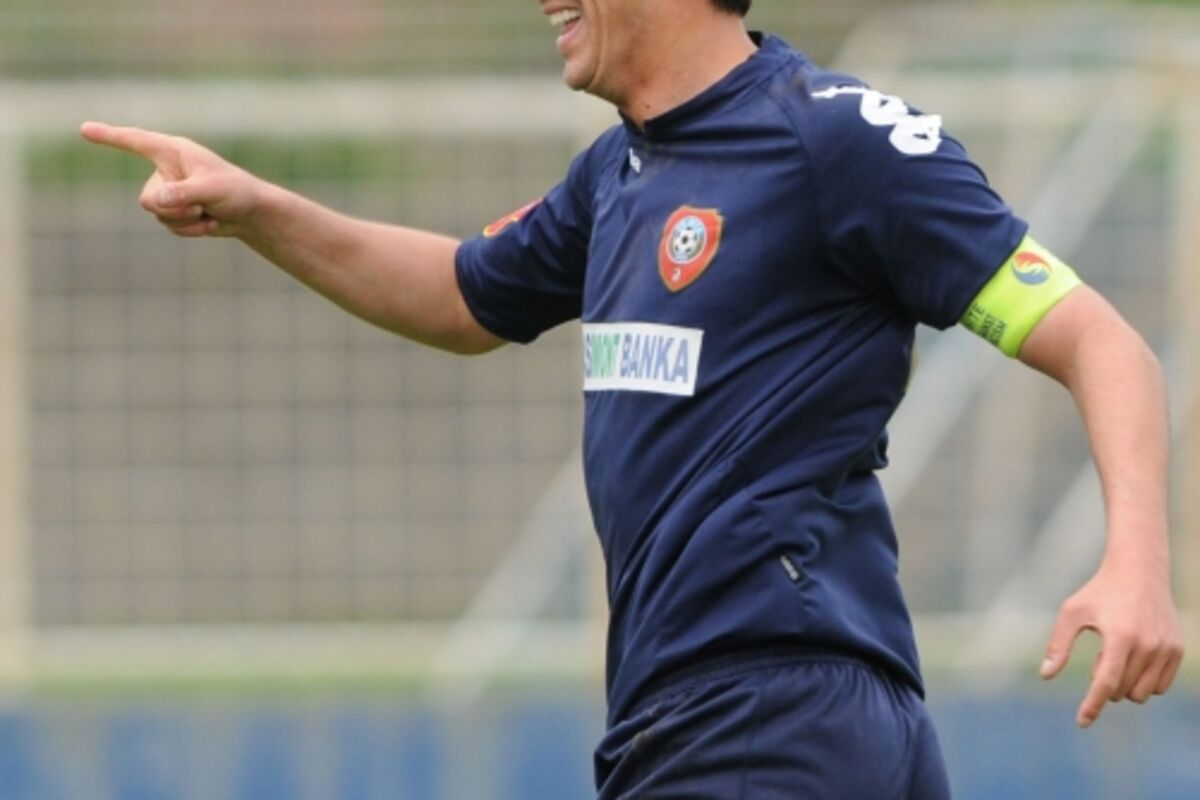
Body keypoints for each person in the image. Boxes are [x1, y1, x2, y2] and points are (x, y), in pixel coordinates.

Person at [82, 0, 1184, 796]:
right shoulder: (616, 175)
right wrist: (258, 208)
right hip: (726, 720)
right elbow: (463, 294)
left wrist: (1135, 561)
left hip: (770, 709)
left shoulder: (835, 137)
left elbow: (1102, 340)